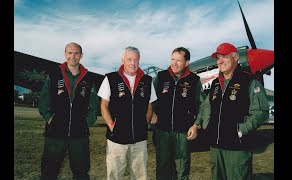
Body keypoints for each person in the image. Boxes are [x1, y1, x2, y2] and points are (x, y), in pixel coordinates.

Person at [196, 42, 270, 180]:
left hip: (237, 149)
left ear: (236, 57)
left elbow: (261, 111)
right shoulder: (215, 84)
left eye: (224, 56)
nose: (220, 61)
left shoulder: (249, 81)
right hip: (216, 149)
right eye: (218, 58)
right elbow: (206, 106)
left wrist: (241, 130)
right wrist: (206, 125)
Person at [38, 42, 99, 180]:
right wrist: (50, 119)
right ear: (65, 54)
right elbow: (43, 102)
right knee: (48, 172)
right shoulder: (54, 75)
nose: (73, 56)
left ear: (81, 55)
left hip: (79, 135)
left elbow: (94, 106)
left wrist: (86, 122)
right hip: (55, 133)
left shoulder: (88, 78)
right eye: (70, 53)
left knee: (81, 173)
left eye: (76, 53)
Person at [97, 46, 157, 180]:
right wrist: (112, 125)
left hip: (139, 140)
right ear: (122, 59)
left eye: (135, 60)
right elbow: (103, 105)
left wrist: (144, 124)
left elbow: (149, 105)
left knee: (140, 176)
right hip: (117, 139)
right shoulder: (110, 78)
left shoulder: (147, 81)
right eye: (129, 59)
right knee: (115, 175)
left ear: (139, 61)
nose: (132, 63)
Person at [151, 47, 205, 180]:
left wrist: (196, 125)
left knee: (182, 169)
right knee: (163, 168)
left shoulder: (194, 80)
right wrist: (151, 112)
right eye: (172, 59)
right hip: (162, 131)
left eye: (178, 60)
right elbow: (148, 98)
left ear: (186, 63)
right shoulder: (161, 77)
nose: (174, 63)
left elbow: (202, 106)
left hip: (183, 133)